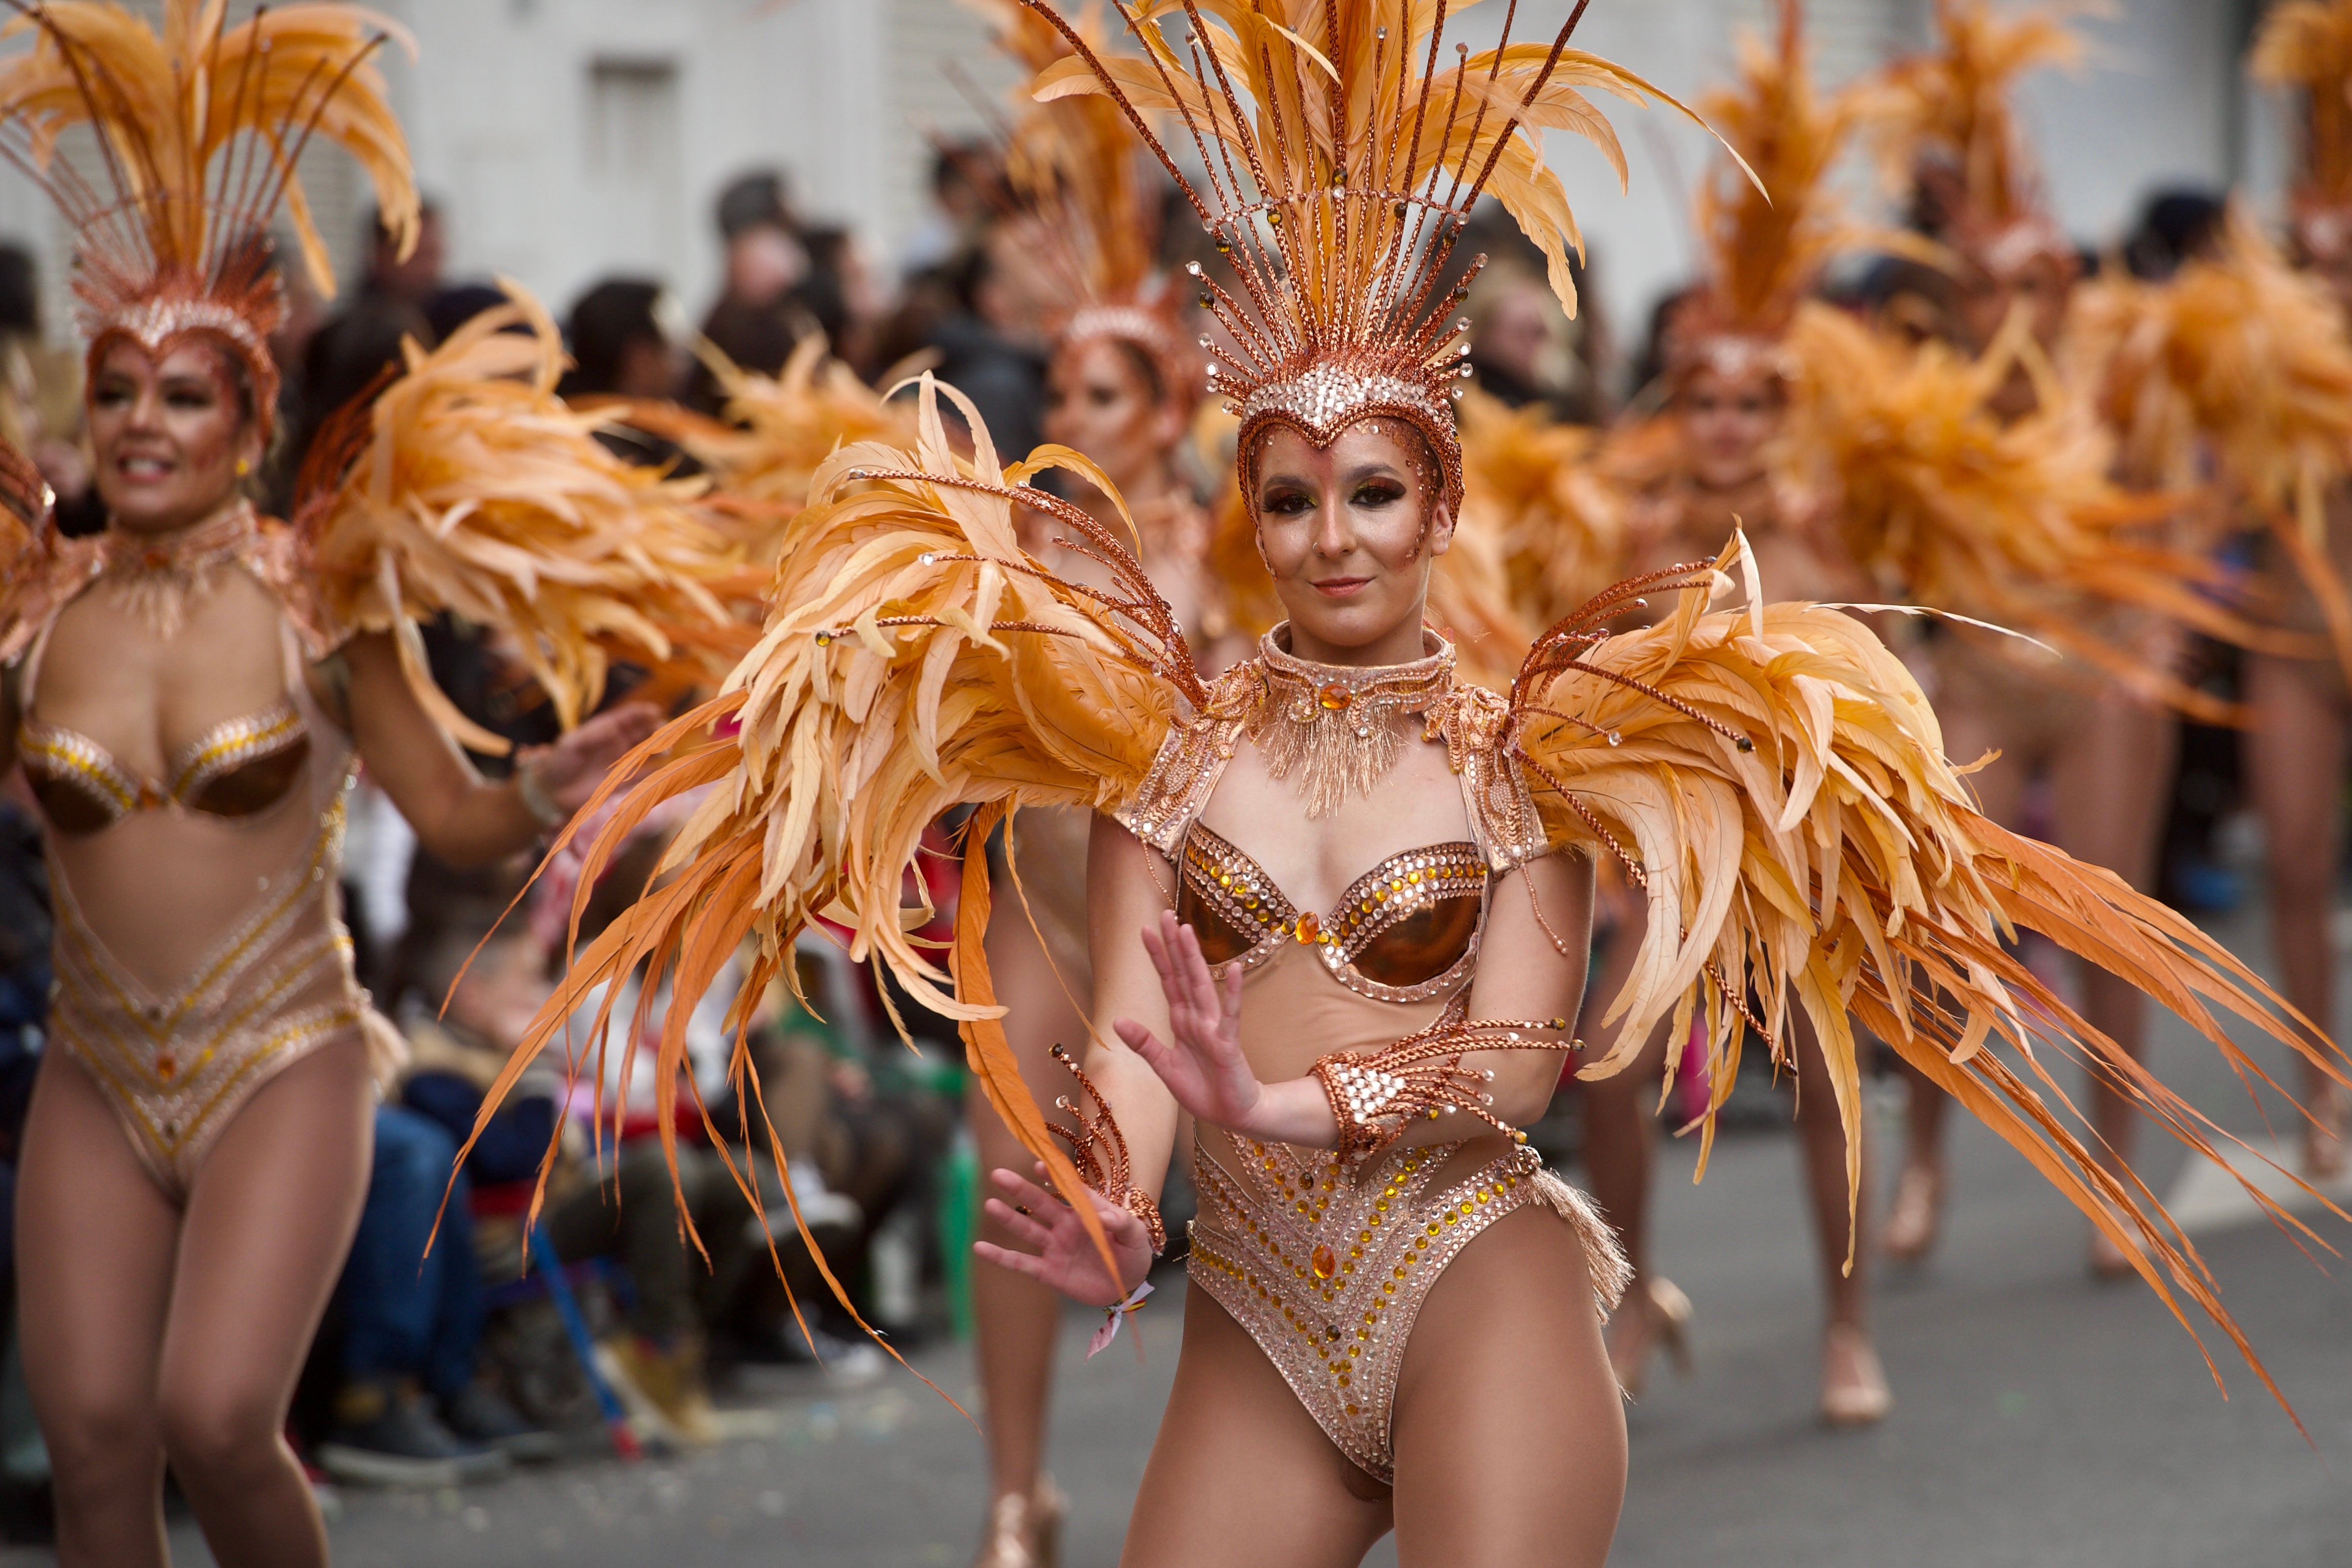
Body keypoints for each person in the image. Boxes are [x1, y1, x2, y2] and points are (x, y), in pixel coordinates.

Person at [502, 6, 2344, 1564]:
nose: (1331, 538)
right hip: (1257, 1316)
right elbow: (1147, 1030)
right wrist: (1128, 1194)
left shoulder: (1523, 746)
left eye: (1372, 493)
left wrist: (1276, 1105)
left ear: (1439, 503)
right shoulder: (1170, 745)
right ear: (1250, 511)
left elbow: (1518, 1058)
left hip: (1477, 1279)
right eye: (1290, 497)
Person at [0, 10, 700, 1563]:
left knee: (217, 1419)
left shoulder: (326, 599)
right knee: (99, 1446)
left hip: (287, 1062)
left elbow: (452, 815)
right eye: (116, 392)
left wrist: (546, 781)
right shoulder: (35, 612)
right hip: (91, 1073)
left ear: (252, 423)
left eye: (185, 396)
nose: (141, 426)